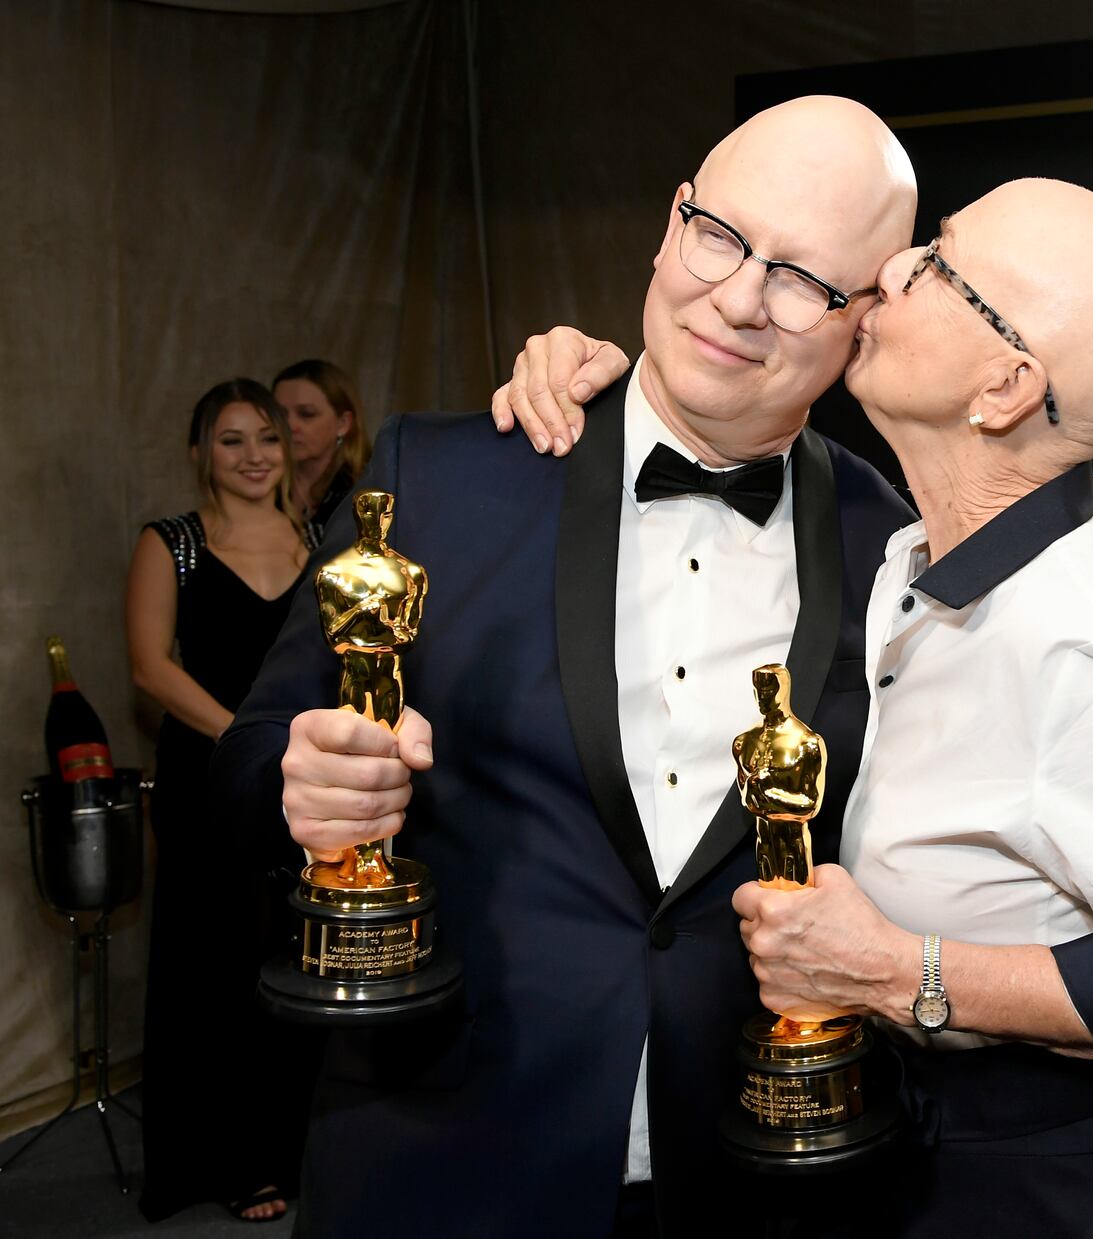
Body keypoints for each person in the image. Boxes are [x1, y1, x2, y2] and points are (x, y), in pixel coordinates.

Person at [540, 179, 1093, 1237]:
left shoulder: (1070, 644)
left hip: (1058, 1195)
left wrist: (901, 972)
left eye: (938, 262)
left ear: (1001, 387)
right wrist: (602, 378)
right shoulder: (917, 549)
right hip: (924, 1166)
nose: (892, 269)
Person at [213, 96, 917, 1238]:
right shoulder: (444, 475)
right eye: (721, 236)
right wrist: (298, 786)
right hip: (444, 1154)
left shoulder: (891, 546)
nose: (737, 297)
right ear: (668, 223)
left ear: (864, 318)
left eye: (802, 278)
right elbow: (247, 758)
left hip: (749, 1174)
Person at [126, 379, 312, 1223]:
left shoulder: (317, 536)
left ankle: (297, 1145)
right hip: (208, 778)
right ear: (202, 451)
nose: (252, 456)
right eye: (231, 440)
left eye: (266, 438)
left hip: (300, 779)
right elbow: (150, 667)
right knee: (214, 963)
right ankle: (224, 1160)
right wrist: (247, 739)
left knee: (298, 957)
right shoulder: (174, 544)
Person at [272, 358, 371, 548]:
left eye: (306, 414)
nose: (290, 426)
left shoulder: (364, 491)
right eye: (280, 415)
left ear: (343, 423)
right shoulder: (262, 485)